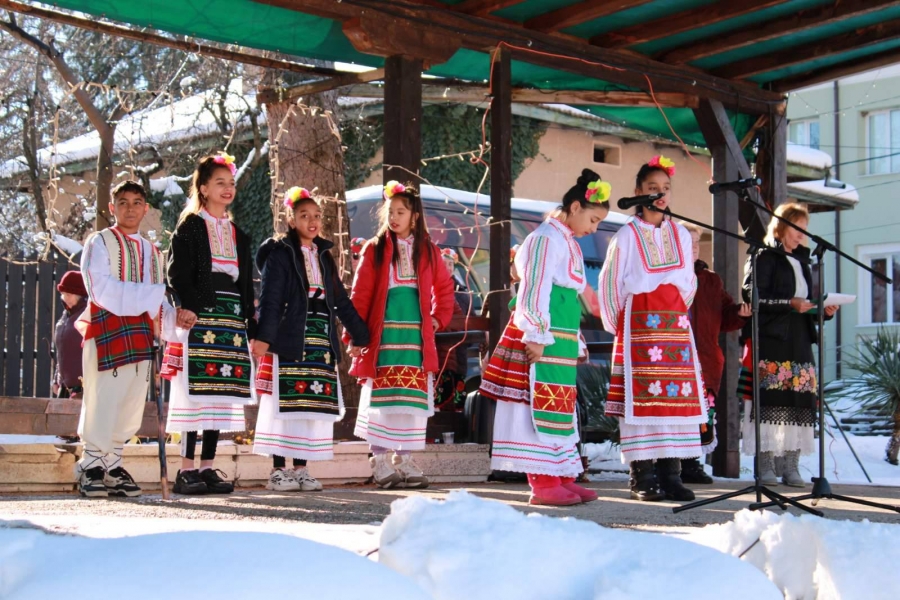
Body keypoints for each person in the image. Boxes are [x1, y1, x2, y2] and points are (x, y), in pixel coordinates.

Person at [481, 169, 610, 506]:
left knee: (560, 409)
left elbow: (568, 301)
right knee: (535, 407)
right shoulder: (544, 238)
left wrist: (575, 340)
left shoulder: (566, 240)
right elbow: (535, 287)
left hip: (560, 341)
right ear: (576, 206)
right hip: (541, 339)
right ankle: (542, 482)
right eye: (593, 219)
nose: (594, 229)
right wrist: (535, 332)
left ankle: (562, 475)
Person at [598, 155, 706, 502]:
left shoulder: (680, 234)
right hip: (639, 329)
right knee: (642, 401)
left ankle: (671, 474)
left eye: (665, 188)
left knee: (672, 401)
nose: (659, 194)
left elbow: (689, 284)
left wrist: (674, 313)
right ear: (637, 192)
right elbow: (611, 283)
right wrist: (623, 328)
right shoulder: (626, 236)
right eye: (652, 188)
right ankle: (642, 475)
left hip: (674, 327)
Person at [250, 187, 370, 491]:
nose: (312, 221)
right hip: (289, 333)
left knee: (309, 404)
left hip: (319, 335)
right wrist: (265, 336)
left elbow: (340, 301)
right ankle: (279, 470)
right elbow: (271, 298)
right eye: (304, 216)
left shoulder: (323, 256)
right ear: (292, 220)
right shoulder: (280, 254)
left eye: (316, 216)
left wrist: (361, 334)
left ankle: (301, 469)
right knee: (283, 403)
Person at [346, 181, 455, 489]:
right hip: (385, 336)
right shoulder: (376, 249)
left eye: (401, 212)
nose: (394, 217)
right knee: (383, 400)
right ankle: (379, 460)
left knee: (410, 402)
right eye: (390, 212)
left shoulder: (428, 251)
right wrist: (355, 334)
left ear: (414, 216)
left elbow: (445, 289)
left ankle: (404, 459)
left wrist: (437, 318)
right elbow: (361, 294)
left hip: (416, 340)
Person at [162, 152, 257, 495]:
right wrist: (186, 305)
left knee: (219, 392)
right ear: (203, 188)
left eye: (231, 183)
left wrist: (250, 323)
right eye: (220, 182)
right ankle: (186, 469)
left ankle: (207, 466)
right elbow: (177, 272)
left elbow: (246, 284)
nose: (228, 188)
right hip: (201, 314)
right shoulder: (190, 227)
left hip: (230, 316)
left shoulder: (237, 234)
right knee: (195, 391)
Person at [76, 180, 176, 498]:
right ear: (112, 207)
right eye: (123, 202)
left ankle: (113, 464)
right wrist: (151, 295)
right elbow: (100, 289)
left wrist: (173, 318)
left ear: (145, 209)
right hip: (105, 327)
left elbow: (158, 297)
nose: (130, 208)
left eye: (136, 202)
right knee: (104, 395)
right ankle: (91, 464)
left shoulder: (152, 251)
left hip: (140, 333)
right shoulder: (100, 242)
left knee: (132, 399)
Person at [740, 202, 837, 487]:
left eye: (804, 230)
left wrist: (823, 311)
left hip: (800, 338)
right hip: (772, 339)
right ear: (781, 226)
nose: (801, 235)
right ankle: (766, 464)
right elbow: (752, 295)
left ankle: (791, 466)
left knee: (799, 403)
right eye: (796, 228)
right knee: (771, 401)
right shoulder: (763, 255)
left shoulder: (806, 261)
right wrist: (788, 303)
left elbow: (807, 302)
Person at [677, 222, 750, 484]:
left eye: (697, 243)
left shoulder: (710, 279)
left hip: (705, 359)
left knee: (699, 413)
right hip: (674, 357)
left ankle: (691, 463)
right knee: (675, 411)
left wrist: (740, 313)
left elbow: (726, 316)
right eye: (689, 242)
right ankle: (668, 463)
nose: (694, 248)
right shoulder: (668, 277)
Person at [435, 247, 470, 412]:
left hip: (459, 351)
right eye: (444, 264)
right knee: (438, 400)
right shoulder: (431, 287)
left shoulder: (463, 292)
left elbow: (470, 320)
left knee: (458, 403)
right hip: (439, 351)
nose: (448, 268)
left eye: (450, 264)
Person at [54, 271, 88, 399]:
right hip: (65, 389)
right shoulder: (66, 315)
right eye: (63, 294)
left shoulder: (87, 315)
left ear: (80, 294)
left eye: (69, 294)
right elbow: (62, 351)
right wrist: (56, 378)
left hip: (83, 390)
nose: (65, 298)